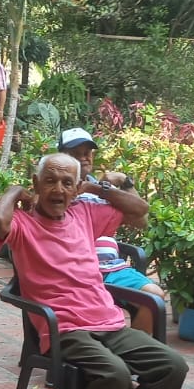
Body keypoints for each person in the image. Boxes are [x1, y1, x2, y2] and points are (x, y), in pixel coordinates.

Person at [0, 153, 188, 389]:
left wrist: (96, 189)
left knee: (172, 366)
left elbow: (140, 210)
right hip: (63, 328)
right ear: (36, 183)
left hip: (108, 321)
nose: (58, 189)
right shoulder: (23, 223)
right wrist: (15, 191)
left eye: (67, 183)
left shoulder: (83, 213)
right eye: (50, 181)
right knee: (115, 375)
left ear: (76, 188)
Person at [60, 127, 166, 333]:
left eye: (87, 153)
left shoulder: (104, 190)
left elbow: (141, 220)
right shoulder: (56, 189)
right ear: (62, 157)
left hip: (113, 269)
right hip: (79, 271)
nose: (83, 158)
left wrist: (123, 182)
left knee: (154, 297)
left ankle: (135, 349)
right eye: (75, 153)